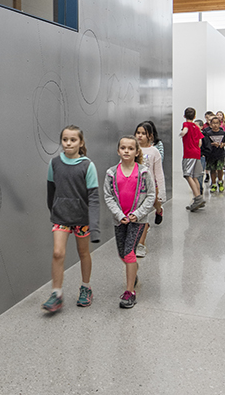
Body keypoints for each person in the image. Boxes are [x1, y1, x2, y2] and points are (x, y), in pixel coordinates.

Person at [42, 125, 101, 313]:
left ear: (81, 142)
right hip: (61, 217)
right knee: (57, 253)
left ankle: (86, 287)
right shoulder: (54, 163)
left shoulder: (87, 165)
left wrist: (95, 225)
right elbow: (51, 190)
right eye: (65, 139)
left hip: (82, 218)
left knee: (83, 253)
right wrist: (55, 209)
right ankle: (56, 294)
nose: (68, 143)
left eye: (73, 140)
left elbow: (93, 197)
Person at [103, 135, 155, 308]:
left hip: (138, 221)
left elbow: (150, 195)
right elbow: (108, 196)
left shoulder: (143, 172)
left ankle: (129, 292)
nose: (126, 151)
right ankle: (133, 274)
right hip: (120, 220)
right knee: (122, 253)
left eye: (130, 148)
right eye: (123, 148)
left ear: (136, 151)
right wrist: (119, 215)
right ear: (118, 150)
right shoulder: (111, 173)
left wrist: (138, 214)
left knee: (129, 253)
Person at [134, 121, 166, 255]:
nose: (140, 136)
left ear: (150, 136)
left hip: (150, 188)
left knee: (145, 214)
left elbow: (158, 172)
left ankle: (141, 245)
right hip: (135, 188)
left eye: (143, 133)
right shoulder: (132, 149)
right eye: (138, 133)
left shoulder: (154, 152)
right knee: (141, 214)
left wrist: (162, 192)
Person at [180, 107, 205, 210]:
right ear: (195, 116)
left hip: (188, 154)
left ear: (184, 116)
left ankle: (198, 198)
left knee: (187, 175)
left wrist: (183, 133)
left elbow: (185, 130)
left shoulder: (186, 124)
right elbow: (200, 142)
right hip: (196, 153)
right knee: (195, 176)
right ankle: (198, 198)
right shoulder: (196, 126)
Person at [202, 116, 225, 193]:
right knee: (212, 169)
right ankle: (213, 184)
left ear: (220, 124)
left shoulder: (222, 133)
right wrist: (212, 144)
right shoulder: (208, 133)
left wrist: (222, 144)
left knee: (220, 168)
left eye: (217, 123)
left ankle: (220, 182)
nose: (215, 125)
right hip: (211, 154)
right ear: (211, 124)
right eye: (213, 123)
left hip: (220, 154)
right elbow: (206, 144)